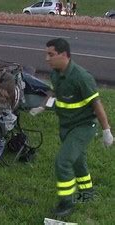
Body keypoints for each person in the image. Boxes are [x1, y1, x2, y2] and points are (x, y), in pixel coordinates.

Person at [30, 38, 113, 217]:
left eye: (50, 54)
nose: (47, 58)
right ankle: (87, 193)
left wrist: (106, 131)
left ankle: (66, 203)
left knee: (63, 161)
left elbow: (97, 104)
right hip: (66, 125)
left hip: (83, 126)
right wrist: (43, 106)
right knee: (77, 160)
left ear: (64, 55)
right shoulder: (56, 73)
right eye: (46, 54)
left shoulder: (81, 77)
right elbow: (55, 92)